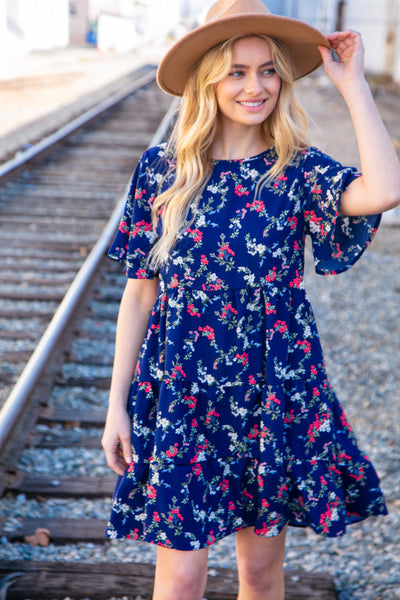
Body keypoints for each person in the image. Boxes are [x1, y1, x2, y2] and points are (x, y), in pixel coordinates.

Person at [102, 0, 400, 598]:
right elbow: (139, 294)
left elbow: (386, 190)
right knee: (181, 574)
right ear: (208, 79)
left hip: (271, 391)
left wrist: (353, 86)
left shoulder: (296, 171)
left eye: (267, 70)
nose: (255, 86)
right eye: (236, 71)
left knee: (261, 574)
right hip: (182, 392)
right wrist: (117, 406)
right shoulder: (164, 170)